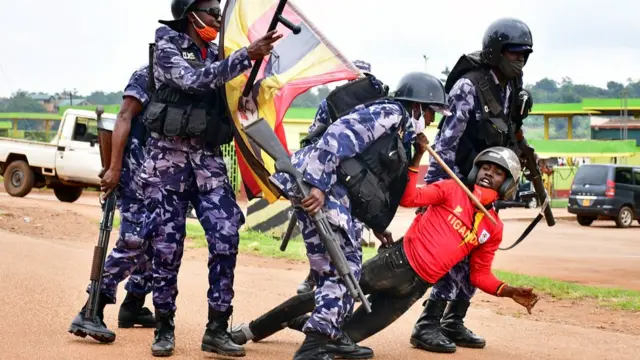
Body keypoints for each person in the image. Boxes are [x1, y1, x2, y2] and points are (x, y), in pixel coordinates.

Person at [232, 145, 540, 360]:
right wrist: (418, 155)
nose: (489, 173)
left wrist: (508, 291)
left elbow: (479, 275)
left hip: (415, 288)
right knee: (322, 296)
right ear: (475, 170)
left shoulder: (492, 227)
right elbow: (409, 198)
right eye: (485, 167)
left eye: (498, 172)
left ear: (509, 184)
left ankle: (306, 323)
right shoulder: (451, 188)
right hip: (395, 263)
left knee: (344, 341)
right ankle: (250, 330)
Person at [267, 71, 451, 360]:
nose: (430, 121)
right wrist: (318, 185)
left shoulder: (398, 129)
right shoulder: (391, 112)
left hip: (329, 188)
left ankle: (331, 333)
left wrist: (376, 226)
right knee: (342, 269)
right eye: (430, 113)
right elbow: (338, 135)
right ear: (417, 105)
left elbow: (367, 177)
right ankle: (317, 343)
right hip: (321, 184)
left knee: (341, 268)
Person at [138, 0, 281, 357]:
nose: (219, 17)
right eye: (212, 11)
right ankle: (164, 327)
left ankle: (216, 328)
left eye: (220, 11)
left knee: (226, 235)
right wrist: (244, 55)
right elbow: (192, 81)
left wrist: (256, 74)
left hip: (208, 162)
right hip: (166, 164)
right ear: (191, 15)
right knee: (167, 249)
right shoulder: (167, 43)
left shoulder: (220, 51)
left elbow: (235, 94)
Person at [409, 17, 535, 354]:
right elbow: (446, 143)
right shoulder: (469, 86)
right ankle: (428, 324)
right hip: (459, 184)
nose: (520, 59)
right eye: (514, 52)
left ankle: (454, 320)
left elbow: (509, 130)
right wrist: (434, 196)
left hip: (489, 187)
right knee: (453, 256)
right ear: (496, 51)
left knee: (478, 253)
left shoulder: (512, 86)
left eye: (525, 54)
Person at [68, 65, 154, 343]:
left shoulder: (187, 73)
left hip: (164, 174)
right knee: (135, 241)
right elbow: (123, 117)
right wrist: (114, 168)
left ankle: (133, 306)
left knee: (159, 241)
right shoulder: (148, 74)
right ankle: (92, 308)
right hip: (135, 172)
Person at [294, 59, 381, 296]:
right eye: (353, 78)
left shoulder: (375, 109)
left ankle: (347, 283)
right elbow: (314, 138)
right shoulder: (330, 104)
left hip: (361, 182)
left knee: (352, 235)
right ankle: (316, 276)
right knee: (325, 232)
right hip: (331, 179)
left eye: (362, 79)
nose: (357, 83)